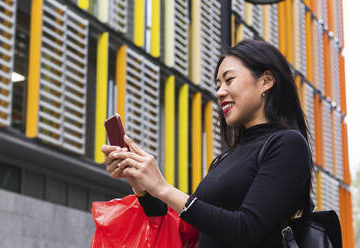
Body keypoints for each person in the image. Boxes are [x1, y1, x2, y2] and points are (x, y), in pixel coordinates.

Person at [101, 39, 313, 248]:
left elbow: (246, 230)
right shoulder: (225, 159)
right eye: (218, 85)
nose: (220, 92)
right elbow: (185, 230)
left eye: (229, 80)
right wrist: (142, 183)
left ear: (266, 81)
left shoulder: (288, 145)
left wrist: (163, 188)